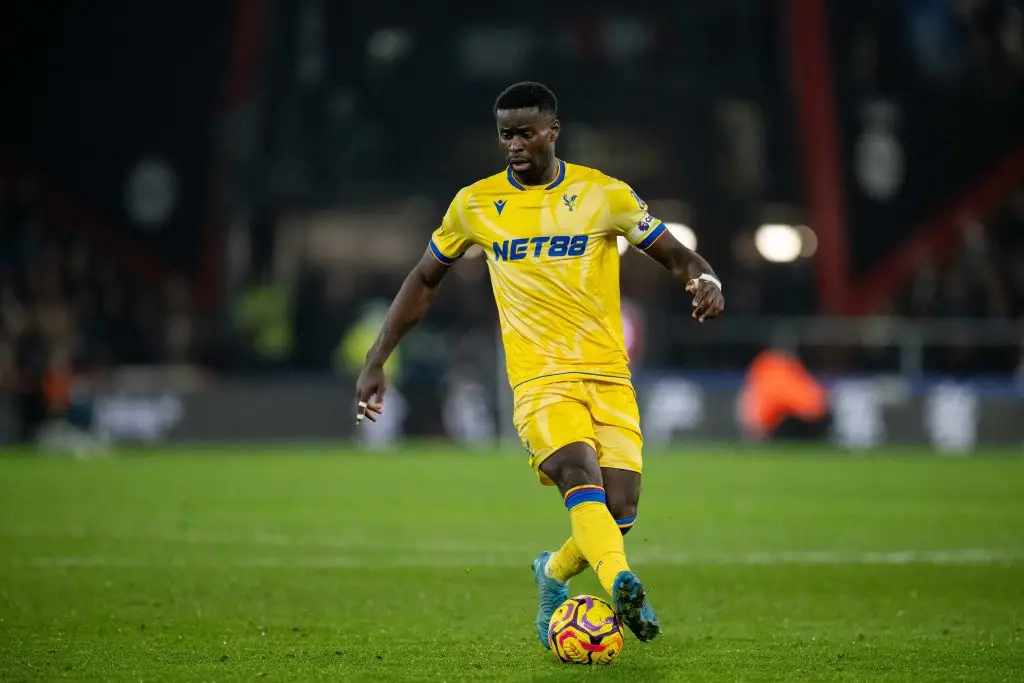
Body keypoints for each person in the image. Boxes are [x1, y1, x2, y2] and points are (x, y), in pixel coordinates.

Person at [354, 82, 725, 648]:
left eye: (526, 133)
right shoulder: (475, 204)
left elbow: (677, 255)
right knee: (578, 473)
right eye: (505, 134)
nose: (514, 145)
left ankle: (552, 570)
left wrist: (705, 279)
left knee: (619, 509)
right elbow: (424, 278)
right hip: (538, 380)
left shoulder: (604, 194)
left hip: (608, 377)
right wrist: (377, 357)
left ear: (554, 130)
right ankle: (621, 581)